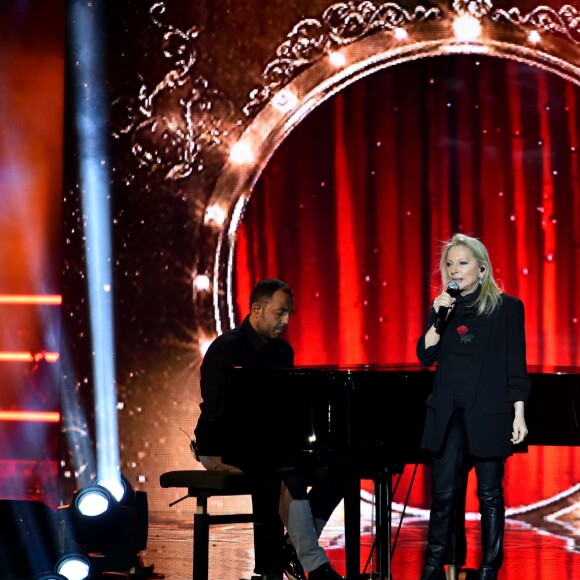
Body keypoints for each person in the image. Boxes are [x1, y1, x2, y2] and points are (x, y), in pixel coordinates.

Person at [194, 278, 344, 580]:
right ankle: (307, 564)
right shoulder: (226, 349)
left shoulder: (282, 353)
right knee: (278, 468)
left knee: (340, 468)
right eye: (280, 313)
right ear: (257, 310)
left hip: (269, 447)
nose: (286, 321)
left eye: (289, 313)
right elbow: (216, 412)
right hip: (223, 445)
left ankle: (290, 548)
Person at [416, 234, 531, 580]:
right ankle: (433, 567)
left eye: (462, 263)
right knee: (444, 496)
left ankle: (489, 568)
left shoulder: (507, 308)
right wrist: (439, 316)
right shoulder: (444, 309)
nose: (454, 270)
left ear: (482, 268)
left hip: (489, 413)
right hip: (448, 415)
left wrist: (519, 413)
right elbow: (425, 355)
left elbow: (516, 366)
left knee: (489, 495)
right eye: (449, 264)